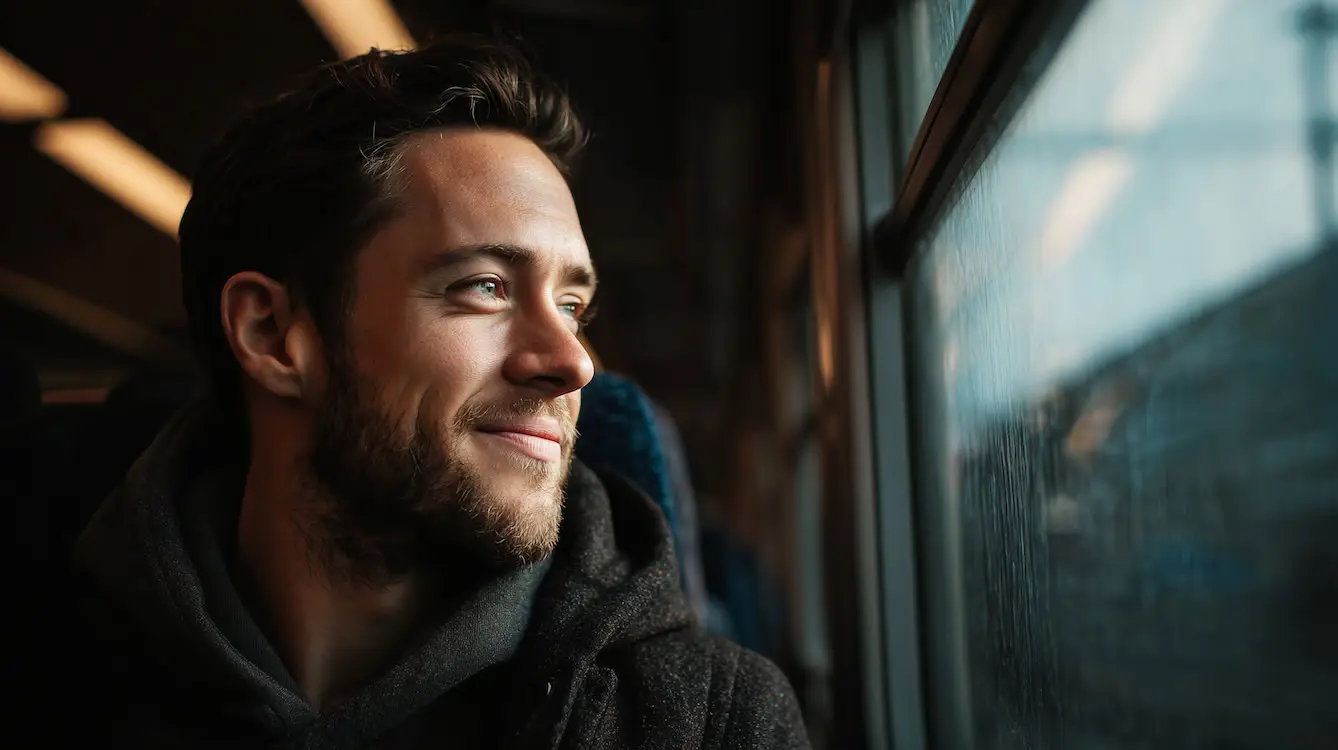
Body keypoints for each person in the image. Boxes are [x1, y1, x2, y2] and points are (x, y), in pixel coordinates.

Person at [55, 35, 808, 749]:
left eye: (572, 305)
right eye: (484, 287)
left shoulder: (712, 720)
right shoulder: (42, 672)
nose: (573, 362)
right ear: (272, 334)